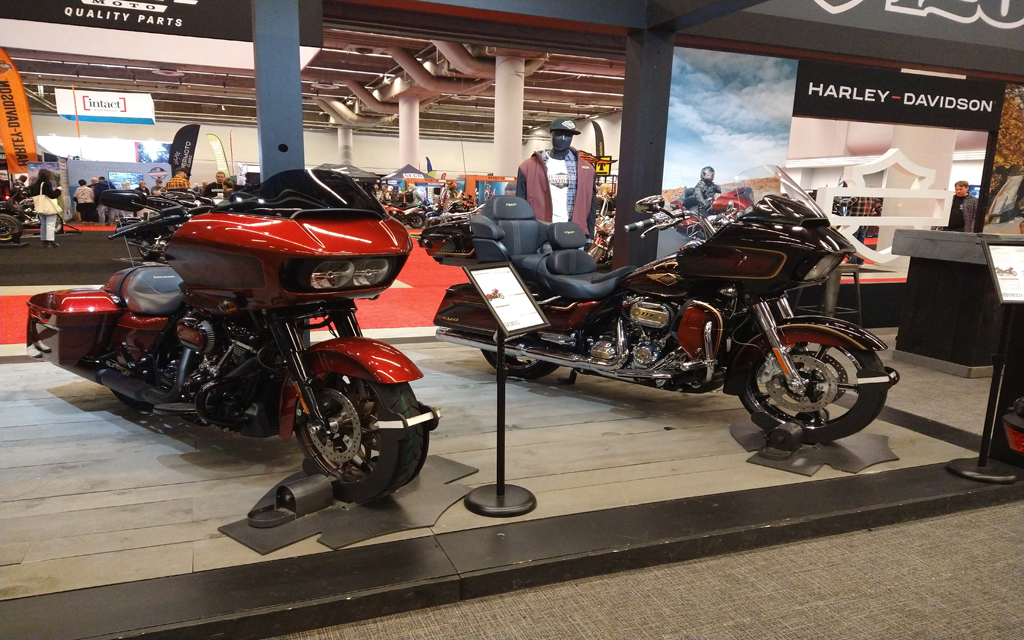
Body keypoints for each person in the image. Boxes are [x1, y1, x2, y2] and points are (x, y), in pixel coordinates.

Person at [516, 118, 597, 237]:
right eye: (559, 134)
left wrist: (589, 235)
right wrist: (521, 232)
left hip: (573, 231)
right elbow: (520, 203)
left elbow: (591, 204)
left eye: (568, 136)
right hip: (540, 231)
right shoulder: (528, 167)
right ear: (552, 135)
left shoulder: (587, 170)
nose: (563, 139)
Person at [29, 169, 62, 248]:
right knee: (50, 224)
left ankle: (44, 241)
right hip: (48, 207)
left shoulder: (34, 185)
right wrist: (58, 190)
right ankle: (50, 241)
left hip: (40, 206)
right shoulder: (45, 184)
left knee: (43, 224)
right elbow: (52, 195)